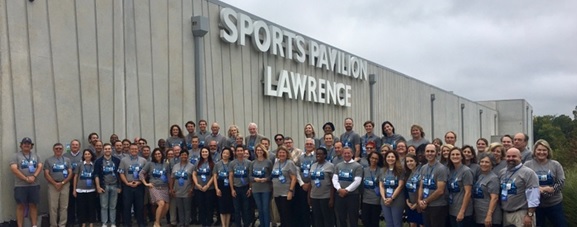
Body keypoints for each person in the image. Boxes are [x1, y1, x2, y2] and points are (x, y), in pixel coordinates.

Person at [523, 139, 567, 227]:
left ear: (548, 151)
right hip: (535, 206)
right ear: (535, 151)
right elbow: (523, 182)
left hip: (554, 204)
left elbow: (561, 182)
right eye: (539, 150)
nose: (541, 152)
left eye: (544, 150)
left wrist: (551, 189)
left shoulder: (555, 165)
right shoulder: (528, 165)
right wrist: (538, 189)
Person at [499, 148, 540, 227]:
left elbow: (533, 196)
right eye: (508, 156)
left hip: (522, 214)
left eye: (514, 156)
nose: (511, 159)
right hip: (506, 213)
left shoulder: (528, 173)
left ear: (520, 158)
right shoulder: (502, 172)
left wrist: (529, 215)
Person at [10, 137, 43, 227]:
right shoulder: (16, 156)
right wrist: (26, 178)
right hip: (20, 185)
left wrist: (34, 176)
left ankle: (34, 225)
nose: (26, 145)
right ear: (21, 145)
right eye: (24, 143)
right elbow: (14, 169)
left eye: (28, 143)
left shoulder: (36, 155)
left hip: (34, 184)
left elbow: (40, 166)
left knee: (33, 205)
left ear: (31, 146)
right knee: (20, 205)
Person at [418, 144, 449, 227]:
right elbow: (421, 185)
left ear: (436, 153)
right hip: (425, 205)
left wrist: (425, 201)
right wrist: (419, 200)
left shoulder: (441, 168)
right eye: (427, 151)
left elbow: (440, 190)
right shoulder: (423, 168)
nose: (429, 153)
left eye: (432, 151)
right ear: (424, 153)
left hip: (437, 206)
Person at [118, 143, 148, 227]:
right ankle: (127, 224)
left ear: (138, 150)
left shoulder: (143, 160)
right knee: (127, 206)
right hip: (128, 186)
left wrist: (140, 182)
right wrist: (127, 183)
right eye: (132, 149)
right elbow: (121, 172)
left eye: (135, 149)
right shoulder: (124, 160)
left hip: (139, 185)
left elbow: (146, 174)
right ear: (129, 150)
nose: (134, 150)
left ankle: (140, 223)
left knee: (139, 206)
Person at [44, 142, 74, 227]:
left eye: (60, 148)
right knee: (53, 207)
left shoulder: (67, 160)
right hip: (53, 185)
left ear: (62, 150)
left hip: (64, 185)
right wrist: (55, 183)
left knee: (64, 206)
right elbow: (46, 173)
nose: (58, 150)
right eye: (56, 148)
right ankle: (53, 224)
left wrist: (63, 183)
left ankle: (62, 224)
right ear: (53, 149)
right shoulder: (48, 160)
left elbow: (70, 172)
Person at [332, 146, 363, 227]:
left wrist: (346, 190)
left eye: (348, 153)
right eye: (345, 153)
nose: (346, 155)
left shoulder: (357, 166)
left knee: (353, 217)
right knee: (341, 217)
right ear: (342, 154)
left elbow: (357, 181)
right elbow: (335, 179)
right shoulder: (338, 165)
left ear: (352, 154)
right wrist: (339, 189)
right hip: (340, 195)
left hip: (352, 195)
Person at [139, 148, 170, 227]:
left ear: (161, 154)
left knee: (166, 207)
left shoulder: (166, 164)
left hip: (165, 187)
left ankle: (157, 222)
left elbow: (169, 176)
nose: (157, 155)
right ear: (153, 155)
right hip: (154, 187)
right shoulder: (150, 164)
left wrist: (171, 188)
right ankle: (156, 223)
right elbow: (141, 173)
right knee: (161, 203)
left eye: (159, 154)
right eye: (155, 154)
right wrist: (146, 183)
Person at [94, 143, 121, 227]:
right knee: (104, 206)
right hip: (104, 186)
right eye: (105, 149)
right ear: (103, 150)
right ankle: (104, 223)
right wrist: (98, 187)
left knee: (113, 206)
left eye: (109, 149)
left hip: (114, 185)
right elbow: (96, 175)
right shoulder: (98, 161)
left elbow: (120, 174)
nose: (107, 150)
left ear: (111, 150)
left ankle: (112, 223)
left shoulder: (117, 160)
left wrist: (119, 186)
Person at [271, 146, 298, 227]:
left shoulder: (290, 163)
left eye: (283, 153)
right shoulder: (276, 163)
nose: (281, 154)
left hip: (286, 193)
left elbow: (294, 178)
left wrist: (290, 191)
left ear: (287, 154)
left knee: (287, 214)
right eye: (280, 153)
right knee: (281, 214)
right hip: (277, 193)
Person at [446, 147, 473, 226]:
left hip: (463, 211)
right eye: (453, 155)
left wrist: (462, 211)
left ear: (462, 157)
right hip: (452, 209)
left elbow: (468, 193)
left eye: (457, 154)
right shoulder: (450, 170)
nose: (455, 156)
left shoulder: (466, 171)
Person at [473, 153, 502, 227]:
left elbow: (494, 198)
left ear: (492, 164)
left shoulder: (493, 178)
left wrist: (489, 215)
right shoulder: (481, 176)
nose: (484, 164)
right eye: (482, 162)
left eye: (487, 162)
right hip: (479, 215)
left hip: (490, 217)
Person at [309, 147, 335, 227]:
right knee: (317, 218)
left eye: (320, 154)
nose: (318, 155)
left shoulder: (330, 166)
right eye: (317, 154)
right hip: (314, 196)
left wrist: (331, 198)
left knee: (327, 219)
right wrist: (309, 197)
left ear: (325, 155)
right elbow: (311, 182)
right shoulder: (313, 166)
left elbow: (332, 183)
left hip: (326, 197)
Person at [380, 150, 406, 227]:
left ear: (396, 158)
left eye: (392, 157)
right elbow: (381, 185)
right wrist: (384, 198)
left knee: (397, 223)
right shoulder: (382, 170)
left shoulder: (401, 170)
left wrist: (392, 198)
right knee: (389, 223)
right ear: (385, 158)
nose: (390, 158)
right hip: (385, 200)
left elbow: (400, 186)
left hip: (396, 200)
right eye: (388, 157)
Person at [249, 144, 273, 227]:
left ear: (264, 151)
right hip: (256, 188)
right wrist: (255, 179)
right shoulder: (253, 163)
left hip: (266, 188)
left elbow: (272, 175)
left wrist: (266, 179)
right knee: (260, 209)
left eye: (261, 150)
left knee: (265, 208)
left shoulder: (268, 162)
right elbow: (250, 176)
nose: (259, 152)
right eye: (257, 150)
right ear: (255, 151)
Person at [229, 145, 253, 227]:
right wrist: (232, 189)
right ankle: (238, 225)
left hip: (245, 188)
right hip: (236, 188)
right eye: (238, 151)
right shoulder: (232, 163)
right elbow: (231, 176)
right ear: (235, 152)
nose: (239, 152)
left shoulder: (249, 163)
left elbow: (250, 176)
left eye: (241, 150)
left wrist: (250, 188)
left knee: (246, 209)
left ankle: (246, 224)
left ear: (244, 152)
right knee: (236, 209)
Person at [73, 149, 98, 227]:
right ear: (83, 156)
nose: (87, 155)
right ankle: (82, 223)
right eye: (85, 154)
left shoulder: (94, 165)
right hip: (80, 189)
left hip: (91, 189)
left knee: (91, 207)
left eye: (88, 154)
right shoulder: (79, 165)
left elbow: (96, 177)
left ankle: (91, 223)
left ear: (91, 155)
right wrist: (74, 189)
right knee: (81, 208)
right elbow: (76, 177)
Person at [294, 139, 315, 227]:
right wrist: (302, 183)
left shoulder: (316, 157)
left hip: (314, 186)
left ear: (314, 146)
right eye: (307, 144)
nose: (309, 145)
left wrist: (310, 184)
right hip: (302, 186)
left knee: (314, 208)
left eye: (311, 144)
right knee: (303, 208)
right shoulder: (301, 157)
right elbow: (297, 171)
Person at [170, 149, 194, 227]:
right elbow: (172, 178)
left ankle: (186, 223)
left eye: (185, 155)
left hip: (187, 190)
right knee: (179, 208)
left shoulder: (192, 166)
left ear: (188, 156)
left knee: (187, 209)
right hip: (177, 190)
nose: (184, 156)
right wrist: (171, 188)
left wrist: (192, 188)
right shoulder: (175, 166)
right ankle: (181, 223)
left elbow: (194, 179)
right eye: (182, 155)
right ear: (180, 156)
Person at [64, 139, 83, 227]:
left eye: (76, 145)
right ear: (70, 146)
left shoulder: (83, 155)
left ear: (79, 146)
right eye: (73, 145)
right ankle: (70, 221)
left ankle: (80, 221)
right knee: (70, 204)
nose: (75, 146)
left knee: (80, 204)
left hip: (80, 183)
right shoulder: (65, 156)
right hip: (68, 183)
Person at [361, 152, 383, 227]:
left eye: (376, 159)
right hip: (365, 200)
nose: (374, 160)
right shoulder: (364, 170)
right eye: (372, 158)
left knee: (374, 222)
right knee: (365, 220)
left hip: (376, 200)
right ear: (369, 158)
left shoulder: (381, 171)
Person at [214, 148, 234, 227]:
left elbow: (232, 176)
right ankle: (223, 225)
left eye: (227, 153)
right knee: (222, 207)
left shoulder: (231, 163)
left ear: (229, 155)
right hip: (220, 185)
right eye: (224, 153)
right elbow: (215, 176)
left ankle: (227, 224)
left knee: (228, 207)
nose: (225, 155)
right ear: (221, 154)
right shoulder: (217, 164)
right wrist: (216, 188)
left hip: (229, 186)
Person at [404, 154, 424, 227]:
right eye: (407, 161)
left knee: (422, 224)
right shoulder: (407, 173)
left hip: (419, 203)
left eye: (411, 161)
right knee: (412, 224)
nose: (409, 163)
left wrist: (417, 203)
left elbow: (423, 187)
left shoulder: (421, 171)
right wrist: (407, 201)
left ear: (416, 162)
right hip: (410, 204)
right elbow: (406, 189)